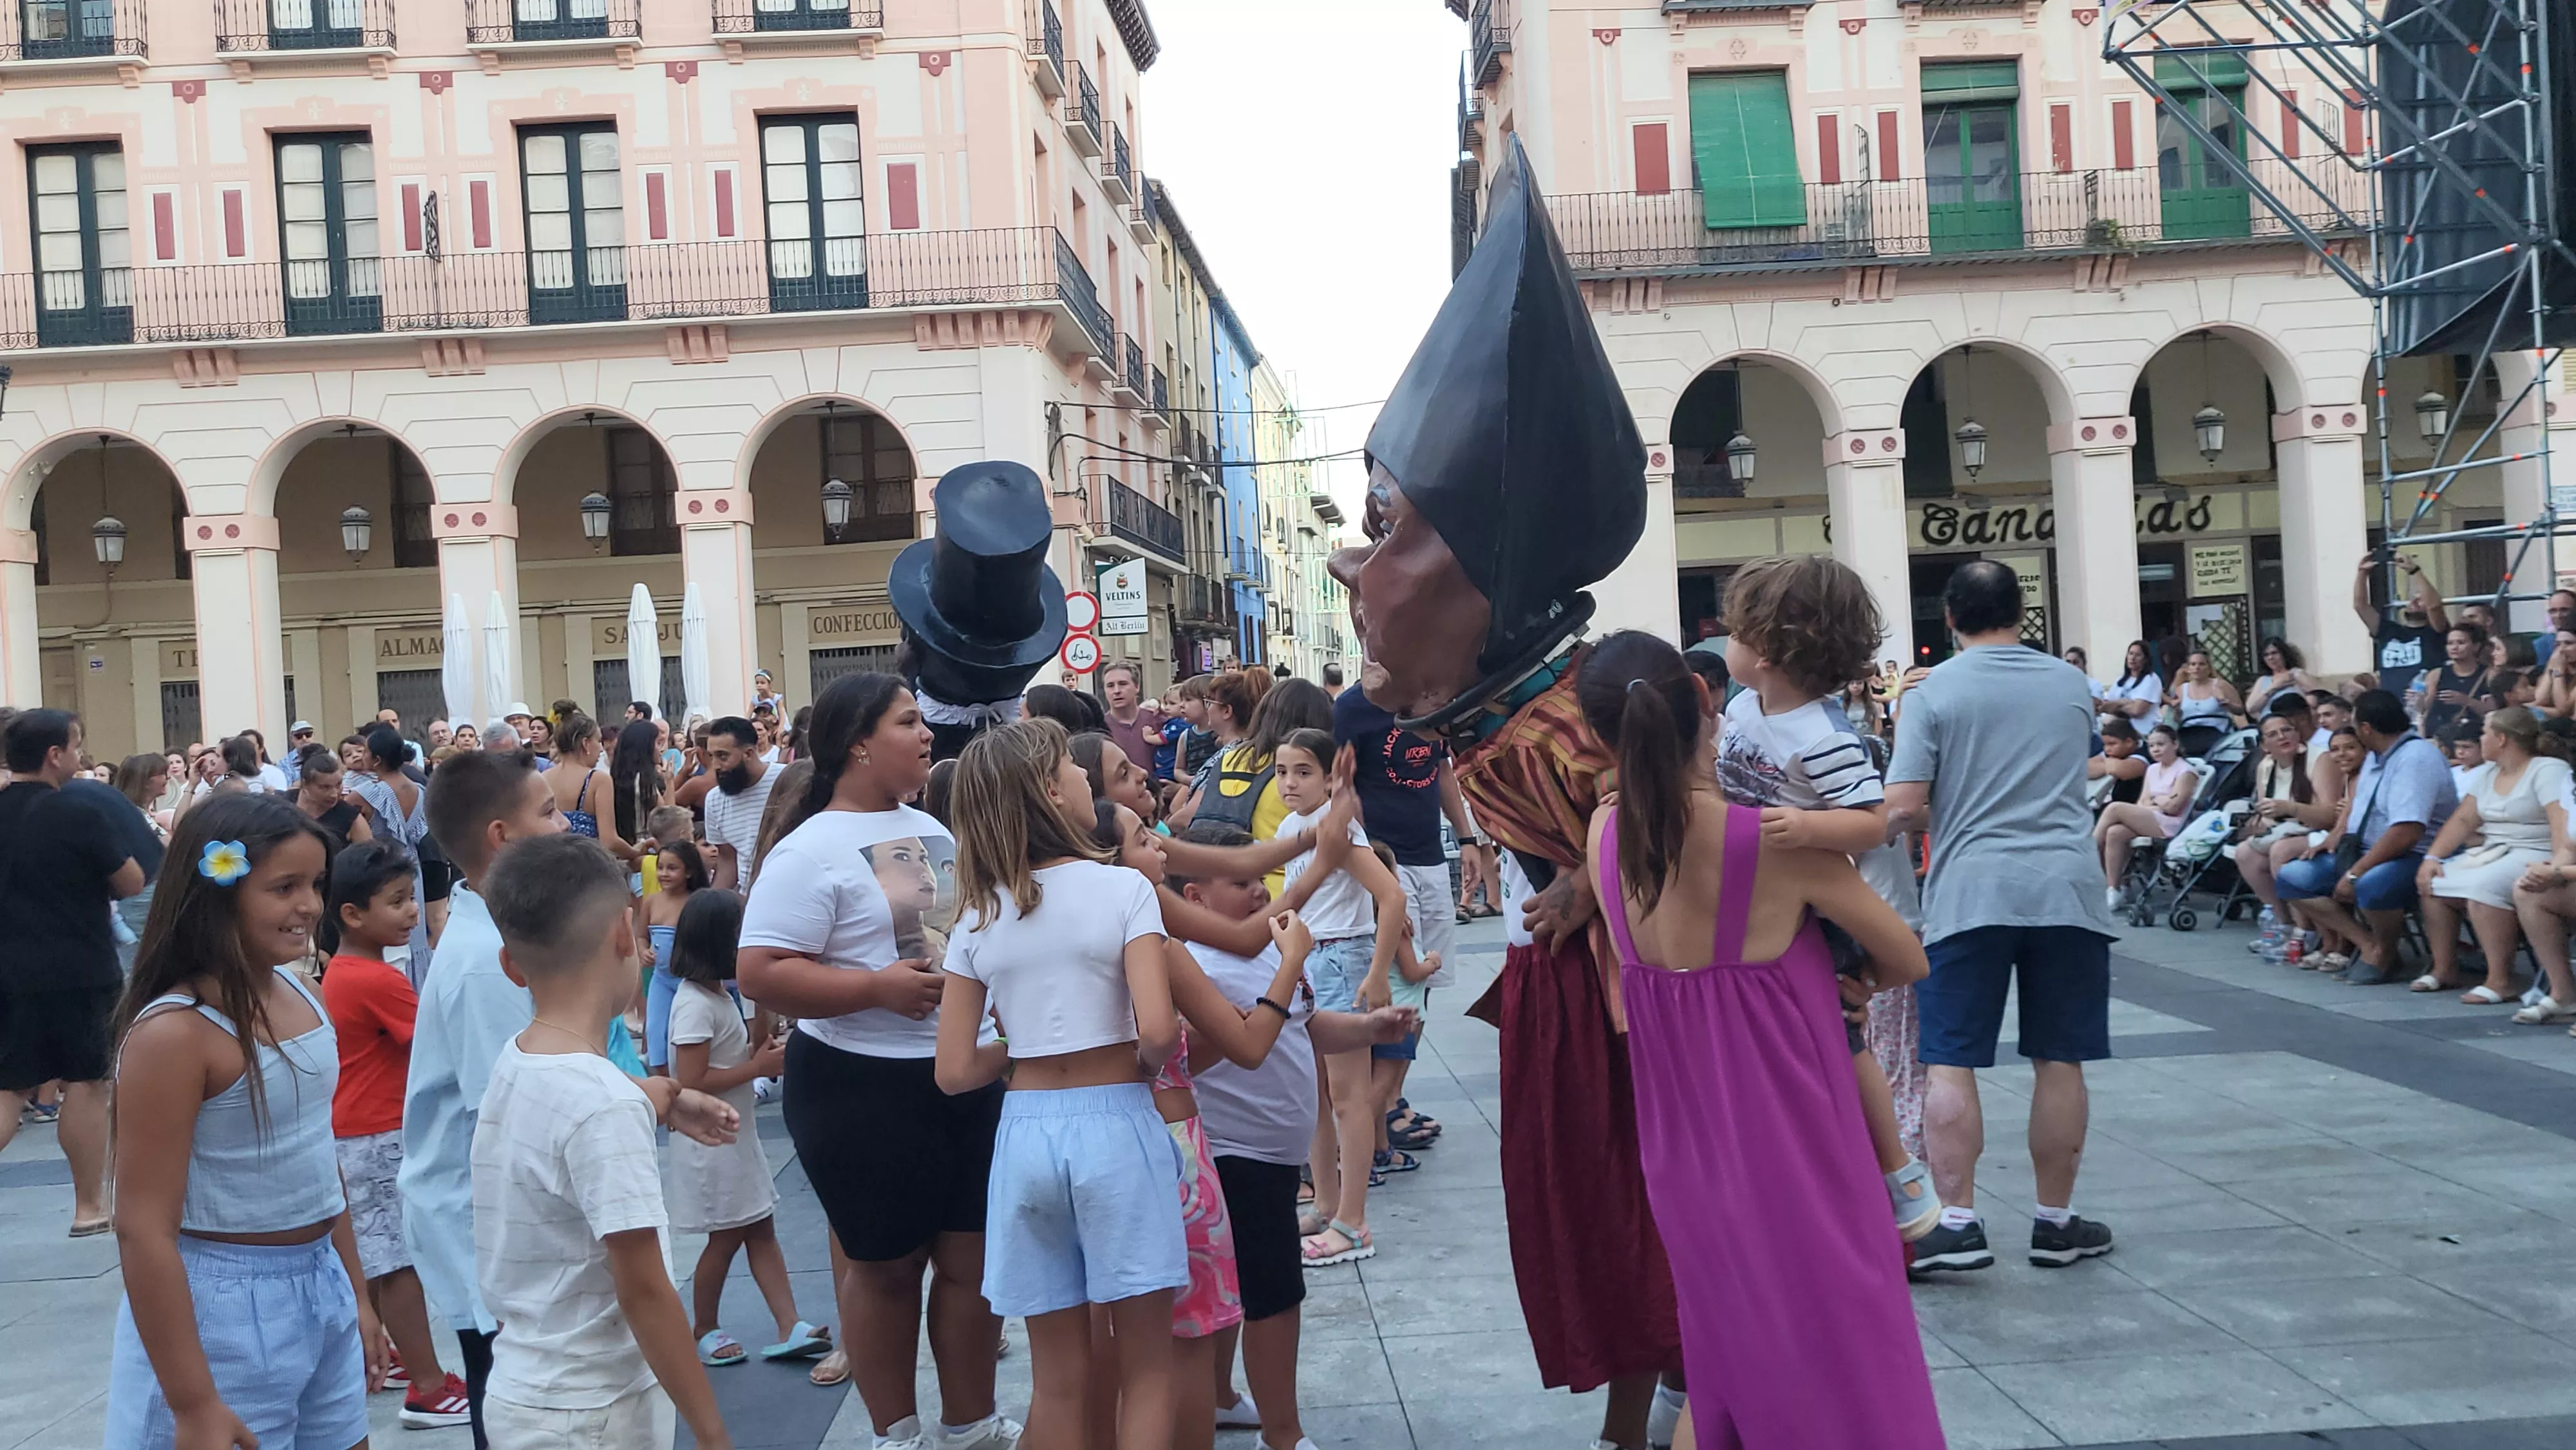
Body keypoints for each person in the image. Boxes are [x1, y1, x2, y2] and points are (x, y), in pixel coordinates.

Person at [1323, 135, 1675, 1450]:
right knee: (1619, 1218)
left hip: (1641, 1031)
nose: (1359, 568)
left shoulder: (1571, 720)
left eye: (1392, 526)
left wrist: (1597, 874)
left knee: (1655, 1207)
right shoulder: (1504, 719)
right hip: (1584, 1018)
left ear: (1488, 572)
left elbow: (1689, 843)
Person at [1572, 630, 1943, 1448]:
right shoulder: (1774, 841)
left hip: (1684, 1151)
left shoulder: (1604, 842)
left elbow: (1624, 994)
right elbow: (1906, 954)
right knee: (1843, 1357)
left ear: (1599, 736)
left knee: (1727, 1357)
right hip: (1794, 1141)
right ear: (1705, 705)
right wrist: (1855, 985)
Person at [737, 673, 1018, 1449]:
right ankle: (896, 1432)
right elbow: (759, 967)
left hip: (959, 1074)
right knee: (887, 1269)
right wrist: (875, 988)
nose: (927, 732)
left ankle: (971, 1422)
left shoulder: (933, 827)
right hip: (860, 1086)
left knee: (973, 1260)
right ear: (858, 743)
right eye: (907, 722)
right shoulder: (806, 850)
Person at [102, 794, 390, 1449]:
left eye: (315, 884)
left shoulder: (301, 991)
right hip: (220, 1306)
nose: (310, 905)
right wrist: (194, 1399)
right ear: (217, 890)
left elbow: (321, 1161)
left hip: (320, 1281)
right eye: (283, 887)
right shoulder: (176, 1032)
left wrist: (356, 1295)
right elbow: (142, 1224)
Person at [932, 717, 1183, 1450]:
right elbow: (1160, 1030)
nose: (1083, 778)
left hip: (1026, 1132)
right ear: (1051, 789)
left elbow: (953, 1069)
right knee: (1145, 1366)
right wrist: (1132, 1065)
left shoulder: (977, 914)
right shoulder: (1122, 890)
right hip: (1114, 1125)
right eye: (1073, 771)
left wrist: (1019, 1046)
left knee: (1058, 1378)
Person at [1884, 560, 2120, 1274]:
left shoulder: (1934, 692)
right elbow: (2070, 770)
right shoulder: (2068, 682)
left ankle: (1957, 1222)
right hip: (2066, 889)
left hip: (1968, 892)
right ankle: (2055, 1220)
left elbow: (1903, 804)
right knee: (2060, 1056)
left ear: (1948, 617)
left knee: (1950, 1060)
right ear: (2023, 613)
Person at [471, 834, 740, 1449]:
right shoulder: (604, 1104)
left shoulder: (519, 1061)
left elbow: (578, 1116)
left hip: (526, 1390)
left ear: (511, 965)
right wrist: (714, 1433)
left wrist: (667, 1099)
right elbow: (644, 1289)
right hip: (595, 1408)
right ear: (627, 934)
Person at [1709, 555, 1941, 1242]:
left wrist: (1809, 826)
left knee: (1844, 1037)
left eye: (1735, 630)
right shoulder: (1743, 707)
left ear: (1770, 649)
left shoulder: (1824, 735)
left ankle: (1899, 1170)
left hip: (1809, 903)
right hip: (1750, 890)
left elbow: (1871, 821)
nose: (1727, 642)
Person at [400, 748, 565, 1447]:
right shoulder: (480, 962)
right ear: (501, 835)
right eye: (550, 811)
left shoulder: (499, 934)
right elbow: (511, 1110)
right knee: (516, 1412)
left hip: (504, 1224)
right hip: (490, 1230)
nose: (565, 827)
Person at [322, 840, 472, 1427]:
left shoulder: (345, 971)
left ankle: (412, 1362)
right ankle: (429, 1388)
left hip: (356, 1133)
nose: (413, 911)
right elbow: (436, 1041)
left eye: (411, 898)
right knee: (399, 1264)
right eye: (397, 901)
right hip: (376, 1135)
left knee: (385, 1261)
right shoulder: (374, 981)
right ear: (353, 915)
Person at [1270, 728, 1420, 1267]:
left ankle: (1353, 1221)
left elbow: (1392, 895)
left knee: (1350, 1097)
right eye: (1283, 770)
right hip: (1310, 961)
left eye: (1303, 771)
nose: (1289, 782)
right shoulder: (1296, 825)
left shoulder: (1340, 827)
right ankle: (1329, 1204)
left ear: (1333, 777)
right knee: (1315, 1095)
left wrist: (1379, 973)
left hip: (1340, 959)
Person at [661, 887, 829, 1366]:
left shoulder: (719, 994)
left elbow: (756, 1042)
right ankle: (705, 1325)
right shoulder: (694, 1004)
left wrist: (763, 1003)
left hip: (734, 1135)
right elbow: (691, 1081)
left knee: (760, 1230)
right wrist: (756, 1070)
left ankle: (788, 1323)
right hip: (712, 1141)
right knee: (727, 1237)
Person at [0, 709, 144, 1238]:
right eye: (77, 746)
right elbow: (130, 882)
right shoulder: (79, 814)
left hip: (7, 970)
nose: (82, 757)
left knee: (9, 1087)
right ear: (53, 755)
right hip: (80, 968)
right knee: (86, 1081)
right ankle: (88, 1207)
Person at [1333, 667, 1482, 1155]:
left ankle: (1394, 1096)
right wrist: (1368, 868)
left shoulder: (1430, 693)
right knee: (1399, 980)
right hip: (1387, 860)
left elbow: (1441, 768)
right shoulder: (1353, 709)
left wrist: (1466, 838)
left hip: (1430, 857)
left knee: (1420, 988)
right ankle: (1384, 1108)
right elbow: (1344, 784)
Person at [2273, 689, 2458, 985]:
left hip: (2413, 854)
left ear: (2367, 729)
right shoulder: (2375, 756)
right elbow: (2358, 806)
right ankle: (2369, 944)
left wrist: (2357, 872)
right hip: (2361, 846)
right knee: (2292, 877)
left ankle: (2385, 951)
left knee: (2371, 885)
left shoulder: (2415, 758)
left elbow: (2407, 831)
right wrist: (2334, 837)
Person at [2415, 706, 2570, 1002]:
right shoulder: (2487, 773)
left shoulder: (2548, 769)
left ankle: (2501, 979)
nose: (2480, 739)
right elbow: (2463, 820)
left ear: (2501, 739)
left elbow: (2559, 823)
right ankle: (2444, 968)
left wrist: (2556, 866)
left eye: (2484, 733)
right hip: (2492, 851)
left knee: (2483, 887)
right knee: (2433, 882)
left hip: (2535, 851)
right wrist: (2431, 858)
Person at [2236, 712, 2341, 958]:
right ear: (2264, 745)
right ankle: (2283, 924)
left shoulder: (2319, 759)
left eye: (2287, 730)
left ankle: (2305, 931)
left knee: (2280, 851)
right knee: (2245, 853)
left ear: (2298, 733)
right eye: (2273, 734)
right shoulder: (2266, 767)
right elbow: (2267, 816)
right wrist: (2255, 824)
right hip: (2286, 831)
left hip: (2319, 831)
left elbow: (2330, 815)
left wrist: (2291, 808)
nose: (2282, 737)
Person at [350, 723, 435, 984]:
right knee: (414, 937)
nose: (360, 756)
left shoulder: (366, 793)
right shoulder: (418, 789)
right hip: (413, 869)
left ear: (376, 759)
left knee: (388, 939)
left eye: (365, 751)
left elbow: (343, 820)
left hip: (381, 870)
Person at [2096, 726, 2195, 901]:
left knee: (2115, 808)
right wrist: (2160, 801)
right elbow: (2143, 801)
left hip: (2172, 824)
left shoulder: (2186, 771)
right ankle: (2114, 889)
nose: (2155, 749)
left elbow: (2174, 808)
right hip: (2153, 817)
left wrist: (2155, 802)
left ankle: (2091, 846)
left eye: (2161, 744)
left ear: (2175, 744)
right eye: (2151, 746)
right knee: (2115, 833)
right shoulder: (2152, 769)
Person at [641, 839, 710, 1073]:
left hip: (688, 980)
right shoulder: (651, 902)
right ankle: (662, 1078)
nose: (664, 874)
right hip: (661, 980)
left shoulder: (696, 902)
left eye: (672, 868)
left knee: (683, 1031)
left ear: (689, 871)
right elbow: (640, 935)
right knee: (655, 1030)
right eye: (660, 867)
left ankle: (685, 1077)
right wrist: (643, 950)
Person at [702, 715, 779, 891]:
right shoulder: (714, 800)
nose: (715, 765)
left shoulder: (787, 781)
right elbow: (728, 860)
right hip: (748, 899)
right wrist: (711, 903)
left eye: (722, 756)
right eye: (712, 756)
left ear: (749, 754)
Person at [2357, 551, 2449, 698]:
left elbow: (2434, 606)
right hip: (2391, 708)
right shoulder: (2388, 630)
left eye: (2420, 599)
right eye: (2412, 599)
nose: (2413, 602)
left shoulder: (2436, 632)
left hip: (2422, 706)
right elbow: (2361, 606)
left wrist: (2414, 571)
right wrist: (2362, 573)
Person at [294, 748, 375, 858]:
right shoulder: (283, 806)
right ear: (305, 784)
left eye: (338, 785)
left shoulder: (350, 817)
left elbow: (369, 860)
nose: (334, 794)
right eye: (325, 787)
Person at [2423, 621, 2494, 739]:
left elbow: (2494, 713)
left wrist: (2467, 701)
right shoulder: (2437, 674)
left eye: (2461, 643)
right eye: (2450, 643)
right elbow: (2425, 708)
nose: (2454, 648)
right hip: (2439, 735)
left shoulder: (2489, 674)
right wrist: (2417, 700)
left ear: (2476, 646)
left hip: (2474, 737)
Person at [2171, 650, 2244, 757]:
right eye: (2193, 664)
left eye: (2202, 664)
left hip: (2217, 736)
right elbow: (2177, 719)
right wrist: (2177, 711)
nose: (2197, 668)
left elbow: (2240, 710)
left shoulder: (2221, 685)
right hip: (2189, 737)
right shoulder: (2181, 689)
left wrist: (2227, 704)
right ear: (2188, 668)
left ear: (2209, 667)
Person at [1099, 661, 1162, 775]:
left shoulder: (1157, 720)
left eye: (1123, 684)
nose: (1117, 691)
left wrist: (1177, 786)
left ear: (1137, 686)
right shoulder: (1100, 728)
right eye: (1110, 686)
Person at [2244, 638, 2316, 719]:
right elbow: (2250, 708)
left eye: (2274, 653)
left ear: (2284, 654)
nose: (2271, 658)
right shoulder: (2263, 680)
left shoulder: (2296, 674)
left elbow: (2317, 697)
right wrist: (2274, 688)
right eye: (2266, 655)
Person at [2101, 639, 2163, 724]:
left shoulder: (2151, 679)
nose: (2133, 658)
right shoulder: (2120, 680)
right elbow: (2104, 706)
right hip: (2119, 729)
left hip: (2143, 731)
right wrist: (2122, 702)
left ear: (2145, 659)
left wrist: (2115, 706)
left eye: (2138, 655)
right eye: (2131, 654)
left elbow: (2137, 711)